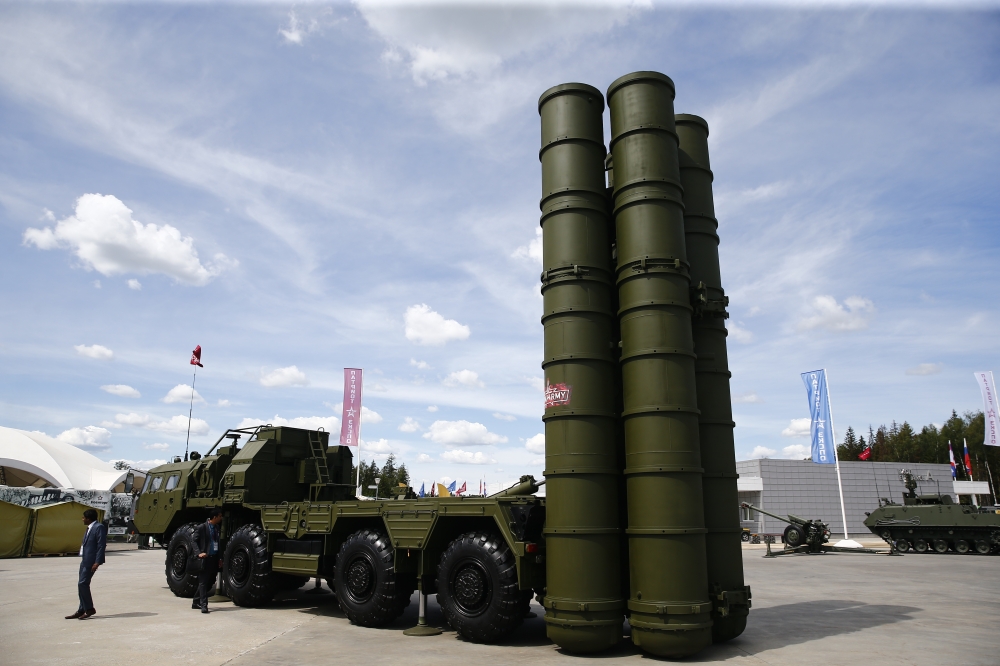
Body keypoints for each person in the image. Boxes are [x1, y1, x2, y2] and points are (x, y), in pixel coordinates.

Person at [65, 508, 107, 619]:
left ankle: (89, 609)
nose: (82, 519)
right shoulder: (89, 528)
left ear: (88, 519)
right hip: (85, 559)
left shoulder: (99, 527)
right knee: (82, 584)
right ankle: (81, 609)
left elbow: (101, 545)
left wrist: (97, 562)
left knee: (82, 584)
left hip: (91, 561)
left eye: (83, 518)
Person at [193, 509, 223, 613]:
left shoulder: (216, 528)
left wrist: (220, 558)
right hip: (205, 558)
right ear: (214, 517)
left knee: (210, 581)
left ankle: (196, 601)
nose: (221, 518)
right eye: (220, 516)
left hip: (214, 558)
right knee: (203, 581)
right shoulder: (202, 527)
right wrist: (198, 553)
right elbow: (194, 541)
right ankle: (203, 605)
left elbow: (217, 543)